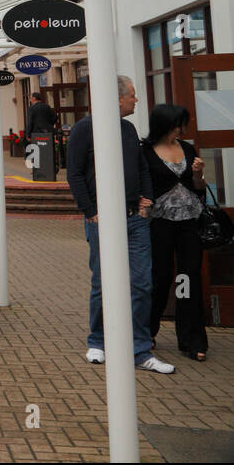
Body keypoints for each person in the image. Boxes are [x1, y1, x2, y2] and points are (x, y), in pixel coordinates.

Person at [65, 76, 173, 373]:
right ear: (117, 98)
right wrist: (90, 211)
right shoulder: (83, 130)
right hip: (101, 220)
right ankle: (98, 341)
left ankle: (139, 349)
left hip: (134, 219)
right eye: (133, 96)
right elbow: (73, 173)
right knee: (103, 282)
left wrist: (147, 200)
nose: (136, 100)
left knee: (141, 283)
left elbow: (140, 167)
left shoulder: (128, 129)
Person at [142, 104, 208, 361]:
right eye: (179, 123)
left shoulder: (187, 148)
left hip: (189, 222)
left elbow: (199, 187)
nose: (182, 127)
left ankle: (192, 339)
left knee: (188, 277)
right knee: (160, 276)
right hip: (159, 223)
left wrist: (198, 173)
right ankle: (148, 331)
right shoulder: (145, 152)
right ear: (166, 123)